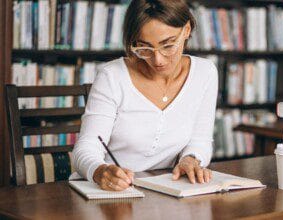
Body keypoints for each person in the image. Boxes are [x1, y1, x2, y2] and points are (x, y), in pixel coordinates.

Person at [71, 0, 218, 191]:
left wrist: (190, 159)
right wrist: (100, 171)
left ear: (187, 30)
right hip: (111, 192)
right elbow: (87, 146)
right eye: (144, 48)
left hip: (169, 189)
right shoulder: (112, 76)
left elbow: (201, 140)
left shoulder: (205, 73)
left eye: (168, 45)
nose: (157, 60)